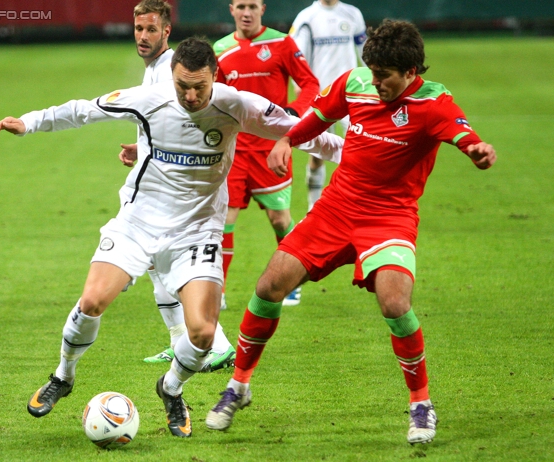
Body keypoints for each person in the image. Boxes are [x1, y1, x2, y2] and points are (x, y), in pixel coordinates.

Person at [0, 37, 343, 438]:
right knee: (92, 302)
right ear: (172, 76)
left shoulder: (237, 104)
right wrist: (30, 121)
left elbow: (305, 130)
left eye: (199, 87)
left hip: (197, 231)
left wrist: (357, 157)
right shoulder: (150, 98)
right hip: (138, 222)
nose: (190, 96)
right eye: (182, 86)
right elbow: (85, 110)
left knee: (204, 335)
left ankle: (171, 389)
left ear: (215, 78)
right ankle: (63, 376)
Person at [206, 19, 497, 445]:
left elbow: (463, 134)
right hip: (336, 209)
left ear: (411, 73)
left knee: (396, 304)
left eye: (385, 76)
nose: (375, 81)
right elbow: (319, 115)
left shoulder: (434, 103)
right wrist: (289, 140)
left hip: (390, 216)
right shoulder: (358, 81)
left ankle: (420, 405)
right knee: (269, 286)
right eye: (373, 72)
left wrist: (477, 150)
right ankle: (238, 387)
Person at [123, 0, 236, 372]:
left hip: (168, 190)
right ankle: (181, 340)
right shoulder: (155, 69)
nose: (143, 36)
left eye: (151, 30)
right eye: (139, 29)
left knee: (165, 263)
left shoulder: (169, 72)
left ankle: (214, 343)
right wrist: (139, 150)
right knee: (157, 264)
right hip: (154, 179)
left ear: (166, 31)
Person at [213, 0, 321, 307]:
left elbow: (310, 84)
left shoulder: (282, 43)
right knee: (224, 219)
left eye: (253, 6)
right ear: (231, 9)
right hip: (234, 150)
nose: (247, 13)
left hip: (271, 149)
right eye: (241, 6)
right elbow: (215, 97)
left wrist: (294, 111)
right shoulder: (220, 49)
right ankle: (217, 289)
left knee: (278, 218)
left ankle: (292, 281)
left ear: (263, 8)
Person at [290, 0, 367, 211]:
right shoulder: (307, 18)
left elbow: (366, 52)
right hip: (321, 97)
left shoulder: (352, 14)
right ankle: (313, 207)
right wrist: (300, 86)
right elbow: (297, 58)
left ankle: (357, 206)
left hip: (353, 95)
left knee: (358, 153)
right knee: (316, 156)